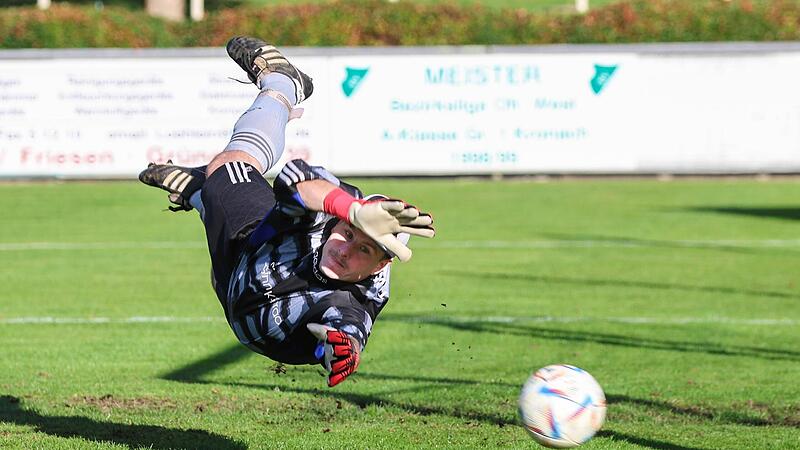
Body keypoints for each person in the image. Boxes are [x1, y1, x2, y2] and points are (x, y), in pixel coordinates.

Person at [139, 36, 435, 387]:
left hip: (239, 288)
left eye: (364, 250)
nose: (345, 250)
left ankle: (202, 190)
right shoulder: (336, 210)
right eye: (348, 233)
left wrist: (343, 349)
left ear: (380, 266)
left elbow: (348, 330)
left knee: (218, 190)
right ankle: (283, 83)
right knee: (229, 164)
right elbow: (294, 176)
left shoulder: (357, 298)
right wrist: (352, 209)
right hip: (249, 245)